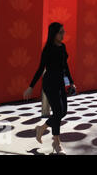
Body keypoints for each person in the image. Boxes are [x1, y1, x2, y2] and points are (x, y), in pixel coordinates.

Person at [23, 22, 76, 155]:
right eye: (61, 32)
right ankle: (57, 144)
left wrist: (71, 82)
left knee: (63, 112)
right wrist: (31, 86)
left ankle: (42, 128)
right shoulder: (48, 49)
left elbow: (65, 67)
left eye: (64, 31)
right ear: (54, 34)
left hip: (60, 83)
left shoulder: (63, 47)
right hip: (49, 83)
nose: (63, 34)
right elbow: (41, 68)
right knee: (58, 112)